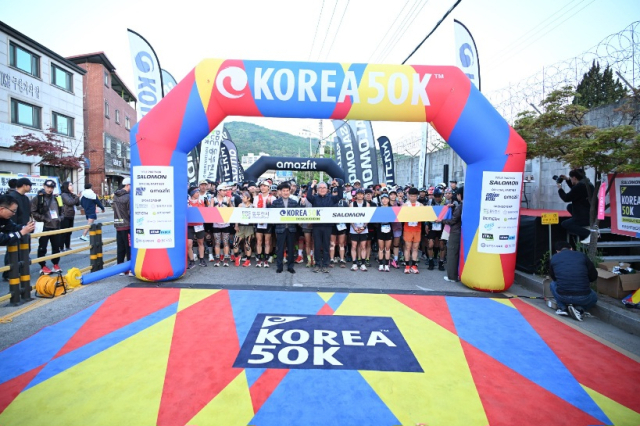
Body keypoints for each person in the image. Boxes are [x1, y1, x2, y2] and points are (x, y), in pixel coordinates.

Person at [549, 240, 598, 321]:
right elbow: (593, 276)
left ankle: (562, 307)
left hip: (563, 295)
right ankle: (579, 308)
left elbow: (554, 278)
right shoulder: (582, 255)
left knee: (552, 284)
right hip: (583, 297)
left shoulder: (554, 258)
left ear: (557, 251)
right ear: (571, 248)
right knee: (594, 297)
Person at [306, 179, 343, 273]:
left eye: (324, 188)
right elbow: (308, 196)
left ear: (327, 189)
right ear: (317, 189)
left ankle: (326, 264)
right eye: (320, 188)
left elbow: (340, 196)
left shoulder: (331, 198)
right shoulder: (314, 198)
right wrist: (312, 186)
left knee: (326, 246)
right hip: (317, 226)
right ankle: (317, 264)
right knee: (317, 246)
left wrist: (338, 186)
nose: (322, 189)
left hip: (327, 226)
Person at [31, 179, 64, 274]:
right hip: (44, 226)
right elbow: (33, 211)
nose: (49, 189)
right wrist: (44, 219)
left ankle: (55, 264)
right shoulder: (38, 198)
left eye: (51, 188)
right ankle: (43, 266)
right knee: (42, 247)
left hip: (56, 226)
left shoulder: (57, 198)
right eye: (48, 187)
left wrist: (60, 218)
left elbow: (62, 210)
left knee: (56, 247)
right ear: (44, 186)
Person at [4, 178, 32, 281]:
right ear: (24, 185)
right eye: (29, 185)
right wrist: (13, 228)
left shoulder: (25, 198)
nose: (30, 187)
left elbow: (27, 213)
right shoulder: (12, 197)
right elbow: (10, 215)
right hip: (14, 228)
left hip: (24, 228)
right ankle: (8, 273)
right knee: (13, 251)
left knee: (24, 250)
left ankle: (19, 270)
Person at [557, 169, 594, 244]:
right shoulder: (587, 183)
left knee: (565, 224)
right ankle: (580, 222)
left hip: (585, 216)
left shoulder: (580, 186)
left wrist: (560, 189)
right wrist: (567, 179)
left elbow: (566, 198)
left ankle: (589, 234)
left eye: (571, 178)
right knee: (569, 206)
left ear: (574, 178)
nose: (570, 179)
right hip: (589, 212)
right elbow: (575, 191)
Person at [269, 182, 298, 273]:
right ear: (280, 192)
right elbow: (271, 214)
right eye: (284, 191)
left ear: (290, 191)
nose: (285, 192)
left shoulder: (294, 202)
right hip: (280, 228)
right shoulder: (276, 202)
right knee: (280, 248)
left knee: (291, 249)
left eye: (287, 191)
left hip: (291, 228)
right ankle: (279, 266)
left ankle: (290, 266)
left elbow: (299, 214)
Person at [437, 186, 463, 282]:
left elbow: (453, 221)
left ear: (459, 195)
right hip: (462, 231)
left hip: (455, 232)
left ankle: (452, 276)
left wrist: (441, 220)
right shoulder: (465, 206)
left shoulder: (460, 207)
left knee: (452, 253)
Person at [113, 178, 134, 275]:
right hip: (126, 224)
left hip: (118, 224)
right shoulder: (128, 197)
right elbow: (130, 212)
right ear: (128, 185)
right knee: (129, 247)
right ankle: (130, 269)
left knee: (120, 248)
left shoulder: (115, 196)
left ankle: (120, 268)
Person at [253, 180, 275, 267]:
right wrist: (259, 219)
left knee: (267, 241)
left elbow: (273, 211)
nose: (263, 187)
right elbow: (255, 209)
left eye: (265, 186)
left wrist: (269, 203)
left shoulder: (272, 198)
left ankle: (266, 259)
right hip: (259, 221)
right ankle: (259, 259)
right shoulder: (256, 198)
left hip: (268, 222)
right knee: (259, 241)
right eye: (261, 186)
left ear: (268, 188)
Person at [349, 189, 370, 271]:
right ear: (356, 195)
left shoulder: (367, 204)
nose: (360, 195)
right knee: (354, 246)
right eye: (358, 194)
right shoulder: (352, 204)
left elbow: (368, 217)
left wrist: (364, 227)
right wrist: (354, 227)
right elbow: (349, 216)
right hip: (354, 228)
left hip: (363, 228)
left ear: (363, 195)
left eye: (361, 194)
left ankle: (363, 264)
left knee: (363, 246)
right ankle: (354, 263)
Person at [403, 187, 423, 274]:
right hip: (408, 229)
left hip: (417, 229)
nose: (413, 198)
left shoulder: (421, 205)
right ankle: (407, 265)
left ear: (417, 196)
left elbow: (425, 216)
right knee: (408, 247)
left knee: (415, 248)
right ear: (408, 196)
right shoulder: (405, 205)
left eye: (414, 196)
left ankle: (414, 265)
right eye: (411, 196)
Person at [187, 187, 207, 269]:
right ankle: (192, 261)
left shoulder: (201, 201)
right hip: (189, 225)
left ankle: (202, 259)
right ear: (192, 194)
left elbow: (204, 212)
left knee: (200, 242)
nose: (198, 193)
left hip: (199, 225)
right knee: (189, 244)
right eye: (196, 192)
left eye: (198, 192)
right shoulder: (186, 202)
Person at [234, 191, 255, 267]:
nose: (242, 198)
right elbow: (237, 215)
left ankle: (248, 260)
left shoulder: (253, 206)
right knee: (235, 243)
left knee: (247, 244)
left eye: (244, 197)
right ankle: (237, 257)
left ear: (248, 198)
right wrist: (236, 225)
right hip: (241, 226)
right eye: (242, 197)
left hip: (249, 227)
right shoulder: (240, 205)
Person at [60, 181, 80, 251]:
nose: (72, 187)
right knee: (64, 232)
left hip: (71, 215)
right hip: (65, 215)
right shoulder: (64, 195)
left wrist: (76, 197)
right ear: (66, 187)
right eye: (70, 185)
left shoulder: (71, 194)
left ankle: (67, 246)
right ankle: (61, 247)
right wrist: (77, 197)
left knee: (69, 232)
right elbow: (70, 202)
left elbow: (77, 203)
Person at [376, 194, 393, 272]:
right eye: (383, 199)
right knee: (381, 248)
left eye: (386, 198)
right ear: (381, 200)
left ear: (388, 200)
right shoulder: (378, 209)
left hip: (389, 228)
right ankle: (380, 264)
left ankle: (386, 264)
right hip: (380, 228)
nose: (384, 200)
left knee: (387, 248)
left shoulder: (391, 209)